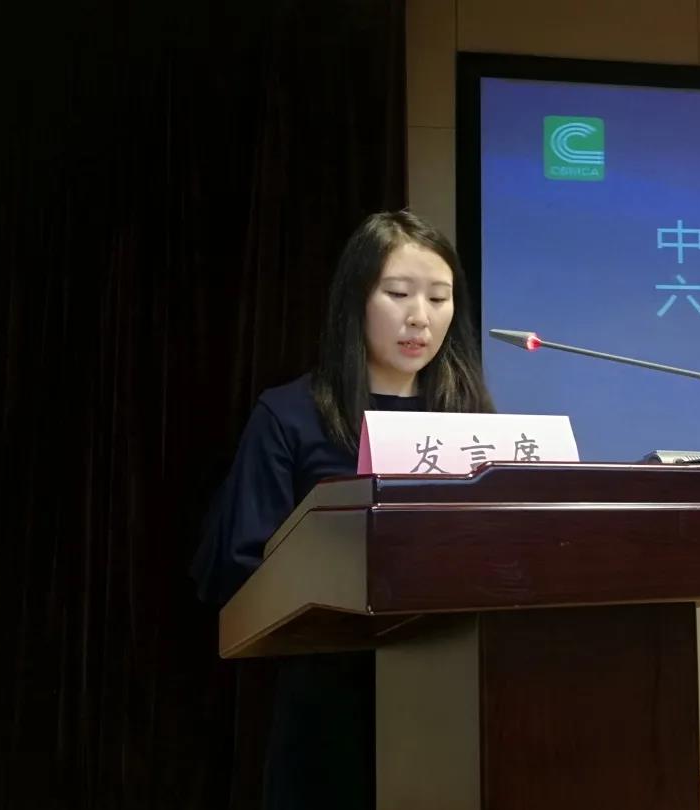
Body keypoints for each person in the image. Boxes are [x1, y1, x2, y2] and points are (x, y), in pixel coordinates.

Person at [190, 210, 494, 809]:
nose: (420, 317)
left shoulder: (472, 422)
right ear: (355, 299)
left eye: (439, 298)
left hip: (456, 697)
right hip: (331, 702)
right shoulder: (291, 416)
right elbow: (240, 568)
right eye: (398, 294)